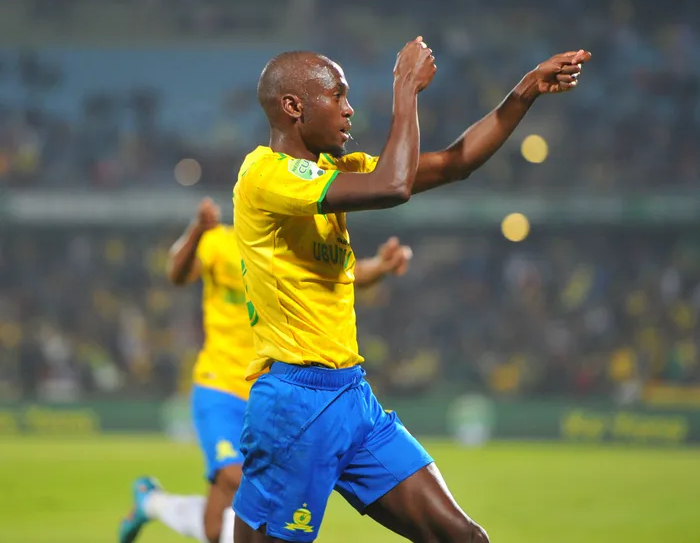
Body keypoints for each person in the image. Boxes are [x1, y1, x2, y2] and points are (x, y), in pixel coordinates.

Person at [232, 37, 591, 543]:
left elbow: (455, 163)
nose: (349, 109)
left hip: (352, 397)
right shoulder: (264, 175)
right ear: (293, 106)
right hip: (295, 405)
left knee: (464, 538)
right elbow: (393, 185)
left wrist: (528, 87)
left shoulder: (333, 171)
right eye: (337, 96)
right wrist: (405, 88)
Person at [118, 198, 413, 543]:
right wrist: (197, 229)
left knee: (215, 528)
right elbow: (177, 273)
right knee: (236, 477)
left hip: (270, 396)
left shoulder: (292, 246)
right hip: (219, 385)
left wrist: (380, 265)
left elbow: (346, 275)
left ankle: (151, 502)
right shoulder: (221, 242)